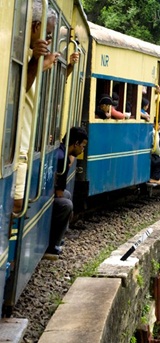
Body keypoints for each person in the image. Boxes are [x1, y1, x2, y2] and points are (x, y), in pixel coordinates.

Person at [14, 1, 61, 214]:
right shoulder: (22, 52)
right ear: (35, 27)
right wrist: (36, 60)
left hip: (21, 147)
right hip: (17, 151)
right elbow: (17, 91)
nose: (49, 40)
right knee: (16, 206)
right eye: (48, 34)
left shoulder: (28, 53)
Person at [44, 127, 88, 260]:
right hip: (47, 195)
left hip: (48, 192)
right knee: (66, 205)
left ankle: (60, 237)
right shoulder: (62, 158)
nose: (82, 150)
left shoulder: (62, 153)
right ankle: (53, 244)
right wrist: (71, 212)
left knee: (68, 196)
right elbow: (58, 193)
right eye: (82, 145)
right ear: (75, 143)